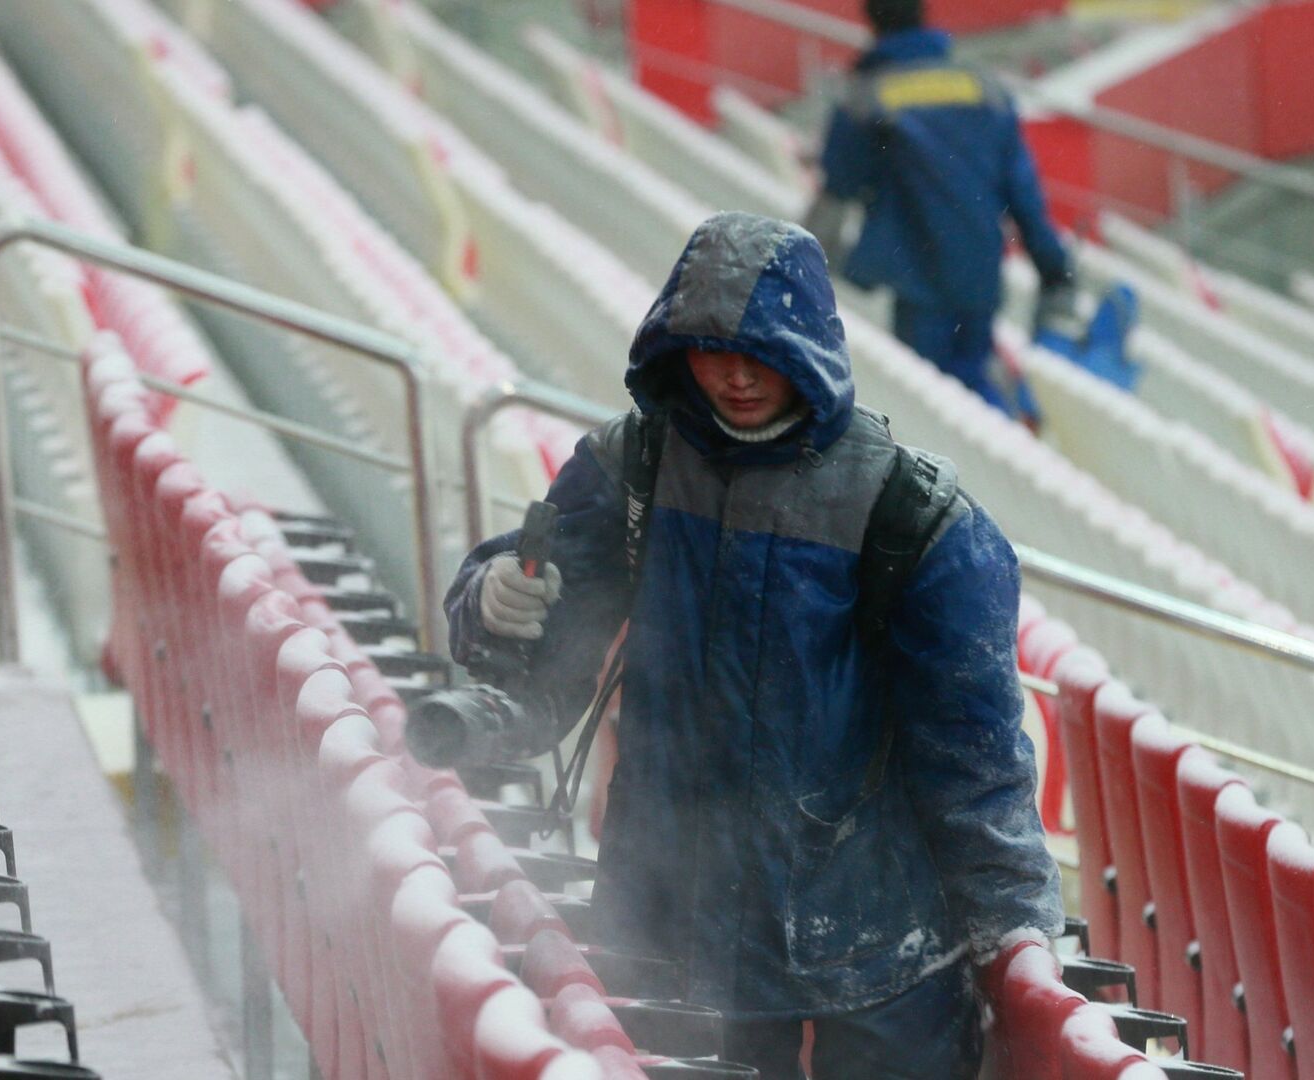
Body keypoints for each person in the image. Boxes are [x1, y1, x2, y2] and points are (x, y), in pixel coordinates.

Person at [444, 211, 1062, 1079]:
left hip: (868, 955)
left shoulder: (912, 518)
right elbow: (537, 673)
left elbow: (975, 763)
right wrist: (492, 596)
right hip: (665, 930)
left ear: (809, 347)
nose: (734, 377)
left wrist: (1016, 929)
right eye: (706, 351)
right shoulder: (635, 469)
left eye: (759, 353)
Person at [806, 0, 1077, 420]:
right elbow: (1025, 196)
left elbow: (835, 193)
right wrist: (1055, 272)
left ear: (870, 20)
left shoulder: (866, 98)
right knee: (971, 380)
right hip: (981, 275)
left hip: (917, 284)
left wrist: (808, 265)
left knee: (933, 409)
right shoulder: (984, 88)